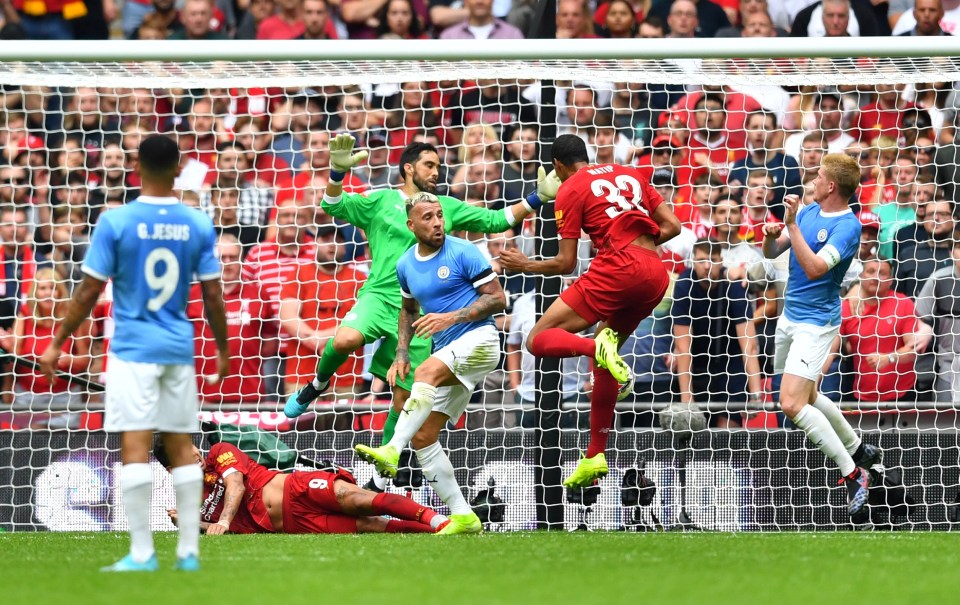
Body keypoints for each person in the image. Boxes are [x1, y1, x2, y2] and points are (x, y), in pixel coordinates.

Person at [283, 135, 541, 490]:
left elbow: (498, 220)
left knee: (404, 397)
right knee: (345, 339)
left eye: (438, 166)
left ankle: (379, 476)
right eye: (429, 165)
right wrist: (337, 173)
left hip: (418, 311)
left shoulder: (444, 205)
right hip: (379, 295)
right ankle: (317, 383)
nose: (436, 172)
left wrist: (537, 198)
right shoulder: (381, 200)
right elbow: (332, 206)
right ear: (408, 168)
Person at [39, 135, 230, 572]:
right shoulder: (196, 223)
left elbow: (87, 291)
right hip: (178, 347)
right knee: (181, 445)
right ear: (178, 168)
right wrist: (221, 348)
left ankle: (143, 553)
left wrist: (56, 342)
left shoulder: (116, 221)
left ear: (137, 166)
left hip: (130, 350)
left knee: (136, 445)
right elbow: (214, 295)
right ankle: (188, 552)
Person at [499, 134, 681, 488]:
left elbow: (566, 263)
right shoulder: (631, 173)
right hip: (655, 274)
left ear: (556, 166)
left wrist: (525, 265)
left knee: (537, 340)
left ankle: (593, 348)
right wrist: (639, 247)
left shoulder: (570, 188)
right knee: (605, 353)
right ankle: (595, 455)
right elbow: (673, 227)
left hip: (618, 268)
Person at [353, 192, 505, 535]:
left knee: (426, 373)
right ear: (411, 225)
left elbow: (498, 298)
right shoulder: (406, 264)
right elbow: (408, 311)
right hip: (452, 352)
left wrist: (451, 318)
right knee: (424, 437)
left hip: (481, 341)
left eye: (439, 215)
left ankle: (391, 449)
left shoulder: (463, 250)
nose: (437, 222)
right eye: (428, 217)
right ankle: (464, 516)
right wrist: (402, 352)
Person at [760, 153, 880, 522]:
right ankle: (859, 449)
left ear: (831, 186)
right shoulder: (809, 211)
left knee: (792, 404)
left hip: (818, 322)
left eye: (818, 175)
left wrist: (792, 225)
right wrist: (771, 235)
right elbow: (773, 250)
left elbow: (813, 269)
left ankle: (853, 474)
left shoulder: (848, 227)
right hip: (790, 317)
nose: (812, 179)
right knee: (808, 396)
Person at [157, 441, 448, 534]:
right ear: (172, 469)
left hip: (295, 488)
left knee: (358, 498)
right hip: (297, 523)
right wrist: (190, 523)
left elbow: (236, 485)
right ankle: (439, 532)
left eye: (190, 444)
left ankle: (441, 520)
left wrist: (221, 520)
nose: (194, 453)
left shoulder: (219, 452)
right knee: (369, 525)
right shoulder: (194, 505)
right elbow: (222, 530)